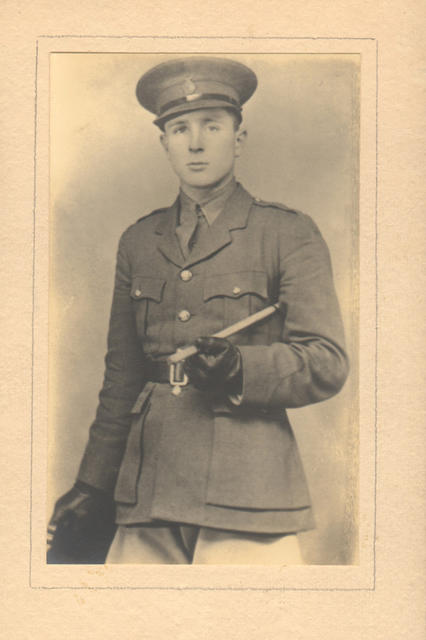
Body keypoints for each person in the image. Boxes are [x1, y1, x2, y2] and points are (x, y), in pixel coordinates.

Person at [47, 56, 349, 564]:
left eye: (212, 125)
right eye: (179, 127)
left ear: (239, 136)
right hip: (149, 488)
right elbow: (122, 377)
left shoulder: (287, 233)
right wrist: (93, 484)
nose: (195, 141)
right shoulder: (139, 241)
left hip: (247, 490)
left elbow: (327, 361)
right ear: (162, 141)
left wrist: (240, 368)